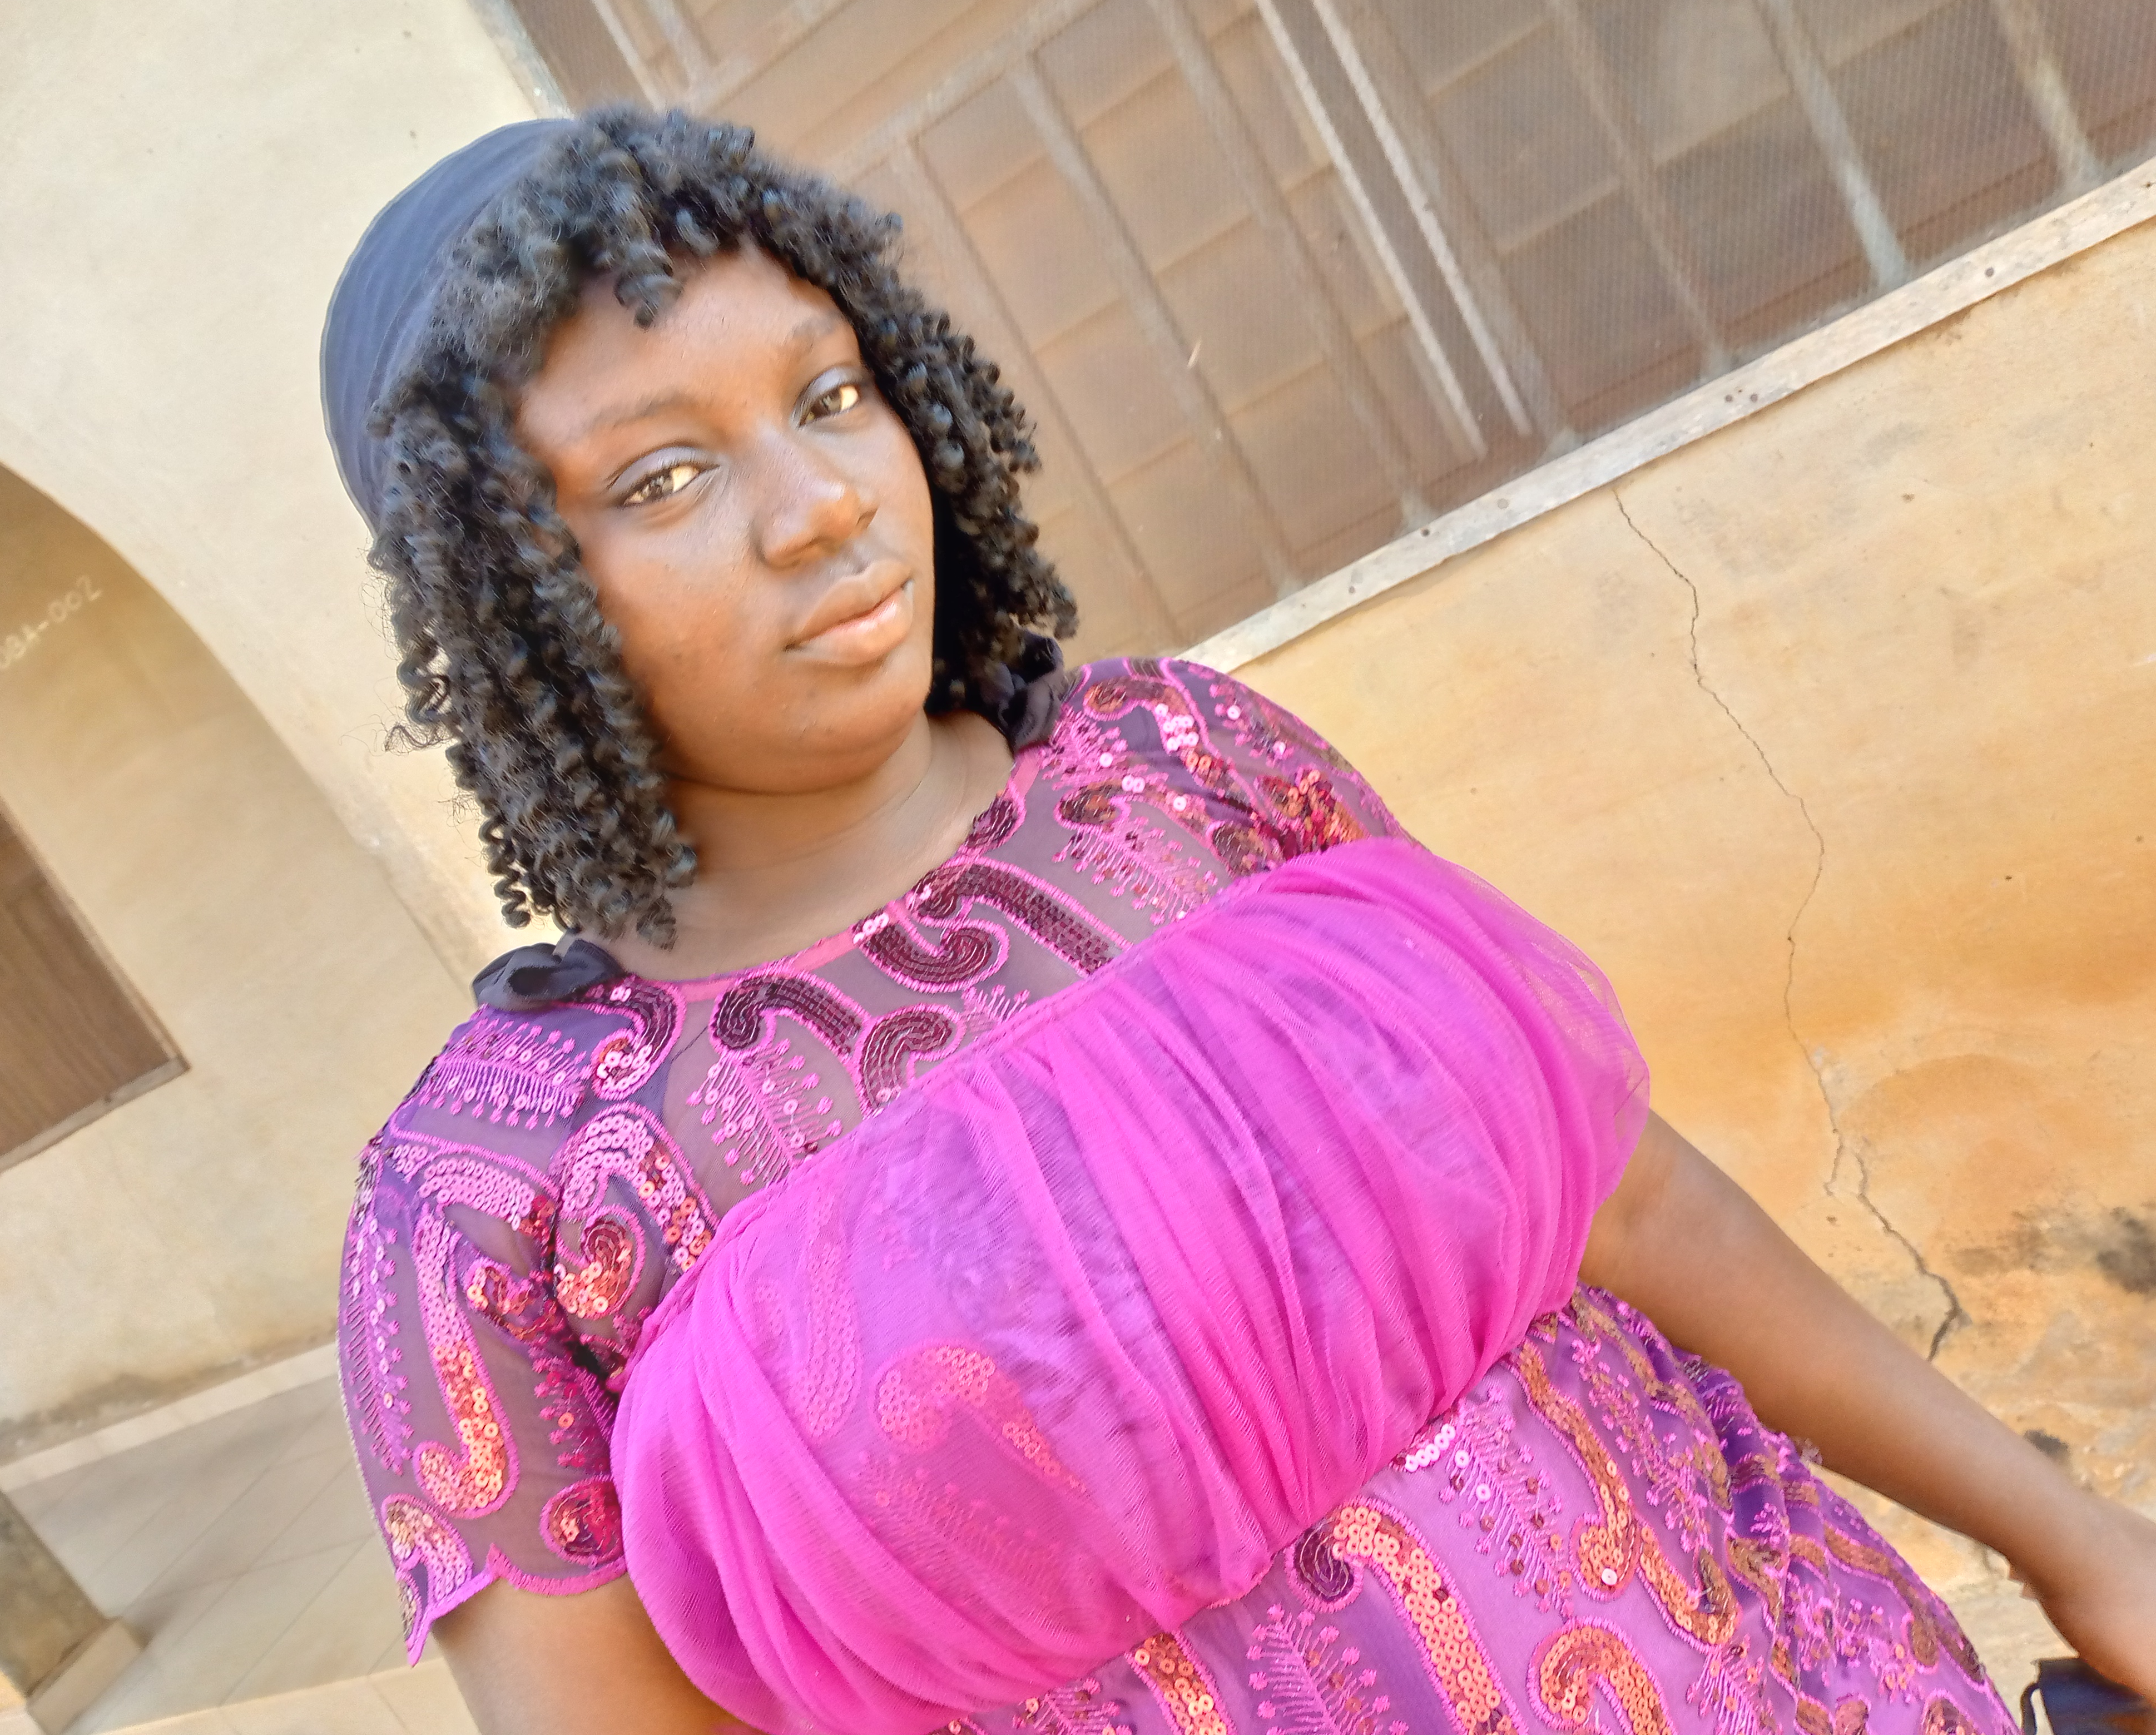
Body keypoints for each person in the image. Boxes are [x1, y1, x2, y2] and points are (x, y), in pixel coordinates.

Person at [319, 108, 2154, 1735]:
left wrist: (2077, 1540)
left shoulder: (1185, 774)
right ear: (502, 593)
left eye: (827, 397)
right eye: (661, 479)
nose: (818, 508)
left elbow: (1626, 1198)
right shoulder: (493, 1203)